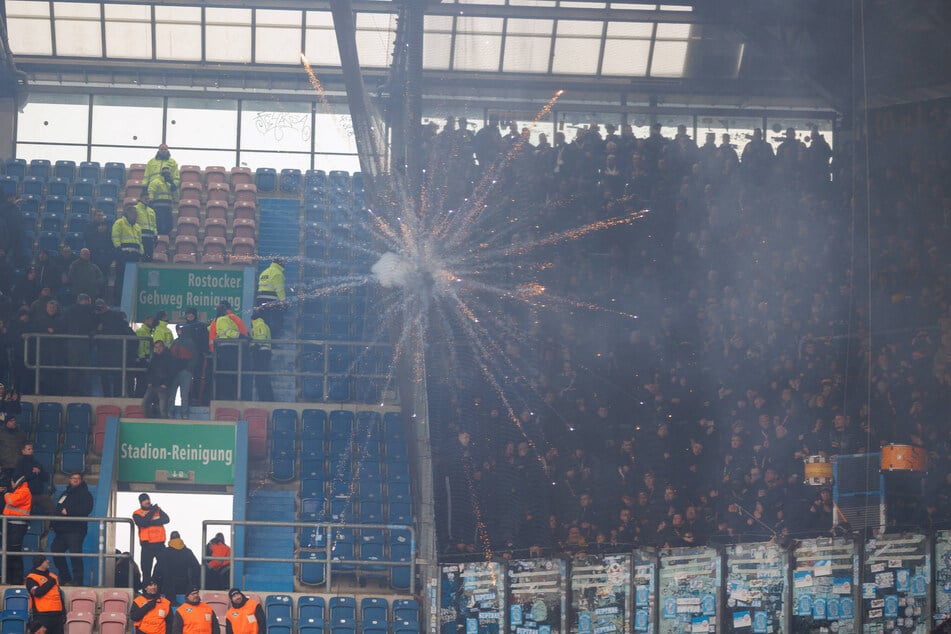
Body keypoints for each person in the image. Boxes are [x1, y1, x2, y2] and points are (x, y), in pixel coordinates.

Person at [49, 472, 94, 586]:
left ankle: (78, 581)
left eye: (77, 478)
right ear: (69, 480)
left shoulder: (85, 494)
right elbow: (58, 509)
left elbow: (86, 510)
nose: (75, 480)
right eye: (73, 478)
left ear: (81, 480)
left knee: (75, 555)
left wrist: (69, 512)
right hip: (61, 530)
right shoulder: (65, 493)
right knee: (56, 550)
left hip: (76, 530)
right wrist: (53, 523)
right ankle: (66, 579)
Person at [208, 301, 248, 400]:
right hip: (227, 349)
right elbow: (229, 332)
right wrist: (243, 337)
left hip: (224, 349)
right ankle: (228, 397)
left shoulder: (219, 320)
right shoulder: (223, 319)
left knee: (228, 374)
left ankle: (228, 396)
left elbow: (212, 331)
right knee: (229, 374)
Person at [133, 493, 170, 584]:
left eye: (148, 499)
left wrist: (150, 521)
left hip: (160, 545)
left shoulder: (158, 510)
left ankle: (166, 592)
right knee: (146, 571)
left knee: (166, 570)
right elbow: (143, 523)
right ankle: (146, 593)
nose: (147, 501)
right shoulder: (137, 513)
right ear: (141, 502)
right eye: (144, 500)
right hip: (147, 545)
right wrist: (152, 512)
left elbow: (166, 520)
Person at [153, 531, 200, 600]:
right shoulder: (188, 552)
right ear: (180, 538)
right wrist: (195, 584)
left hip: (168, 588)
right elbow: (196, 568)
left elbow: (157, 570)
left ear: (170, 539)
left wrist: (155, 584)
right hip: (185, 586)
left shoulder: (165, 552)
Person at [111, 199, 142, 302]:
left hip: (134, 256)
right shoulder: (119, 222)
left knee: (131, 279)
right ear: (127, 213)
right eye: (133, 213)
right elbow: (115, 236)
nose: (135, 215)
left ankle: (129, 299)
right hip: (123, 255)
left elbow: (139, 241)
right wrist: (119, 249)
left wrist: (141, 252)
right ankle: (117, 299)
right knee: (120, 278)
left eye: (136, 213)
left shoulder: (137, 227)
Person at [4, 473, 32, 583]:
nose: (11, 484)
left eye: (12, 481)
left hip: (18, 525)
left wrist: (6, 493)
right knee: (10, 552)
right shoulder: (17, 491)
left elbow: (11, 501)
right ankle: (10, 578)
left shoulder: (24, 491)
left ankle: (16, 580)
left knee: (14, 552)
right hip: (11, 525)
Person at [24, 556, 64, 634]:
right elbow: (38, 593)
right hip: (42, 615)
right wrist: (50, 582)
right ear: (40, 563)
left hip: (57, 614)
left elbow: (58, 595)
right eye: (45, 560)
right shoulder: (31, 578)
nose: (48, 561)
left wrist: (63, 612)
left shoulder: (53, 576)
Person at [255, 258, 286, 334]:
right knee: (277, 320)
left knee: (264, 320)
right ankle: (273, 339)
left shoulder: (264, 272)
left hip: (260, 299)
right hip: (272, 299)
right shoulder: (278, 273)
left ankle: (264, 338)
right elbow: (279, 290)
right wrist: (284, 302)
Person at [148, 165, 178, 237]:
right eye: (165, 173)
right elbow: (151, 191)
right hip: (158, 206)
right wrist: (150, 202)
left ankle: (166, 236)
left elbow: (175, 195)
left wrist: (173, 185)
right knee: (159, 222)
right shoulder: (155, 182)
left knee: (169, 223)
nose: (167, 175)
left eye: (168, 173)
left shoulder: (169, 184)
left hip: (168, 207)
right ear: (162, 174)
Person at [250, 310, 273, 402]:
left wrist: (253, 348)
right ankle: (265, 398)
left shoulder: (259, 325)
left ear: (252, 319)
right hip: (264, 352)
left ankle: (266, 399)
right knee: (262, 377)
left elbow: (260, 339)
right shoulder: (262, 324)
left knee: (261, 377)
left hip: (262, 353)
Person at [136, 197, 159, 261]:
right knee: (140, 256)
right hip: (140, 238)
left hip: (150, 238)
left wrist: (155, 235)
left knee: (149, 257)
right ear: (140, 198)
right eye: (144, 197)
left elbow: (154, 225)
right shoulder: (135, 208)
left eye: (148, 198)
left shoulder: (151, 211)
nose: (147, 199)